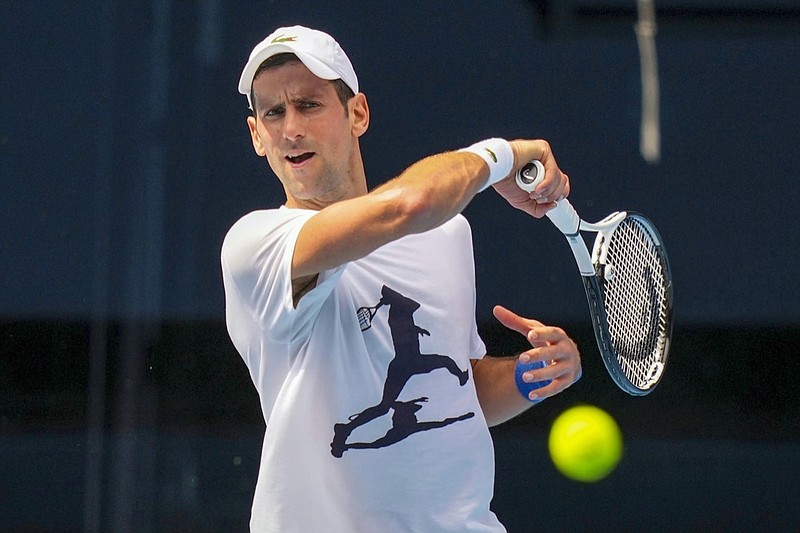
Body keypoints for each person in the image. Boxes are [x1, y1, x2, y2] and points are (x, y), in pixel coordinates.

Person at [222, 25, 582, 532]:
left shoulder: (448, 235)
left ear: (357, 114)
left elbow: (462, 389)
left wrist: (532, 375)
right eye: (273, 113)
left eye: (308, 105)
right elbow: (410, 204)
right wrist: (504, 154)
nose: (291, 129)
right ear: (257, 135)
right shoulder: (256, 244)